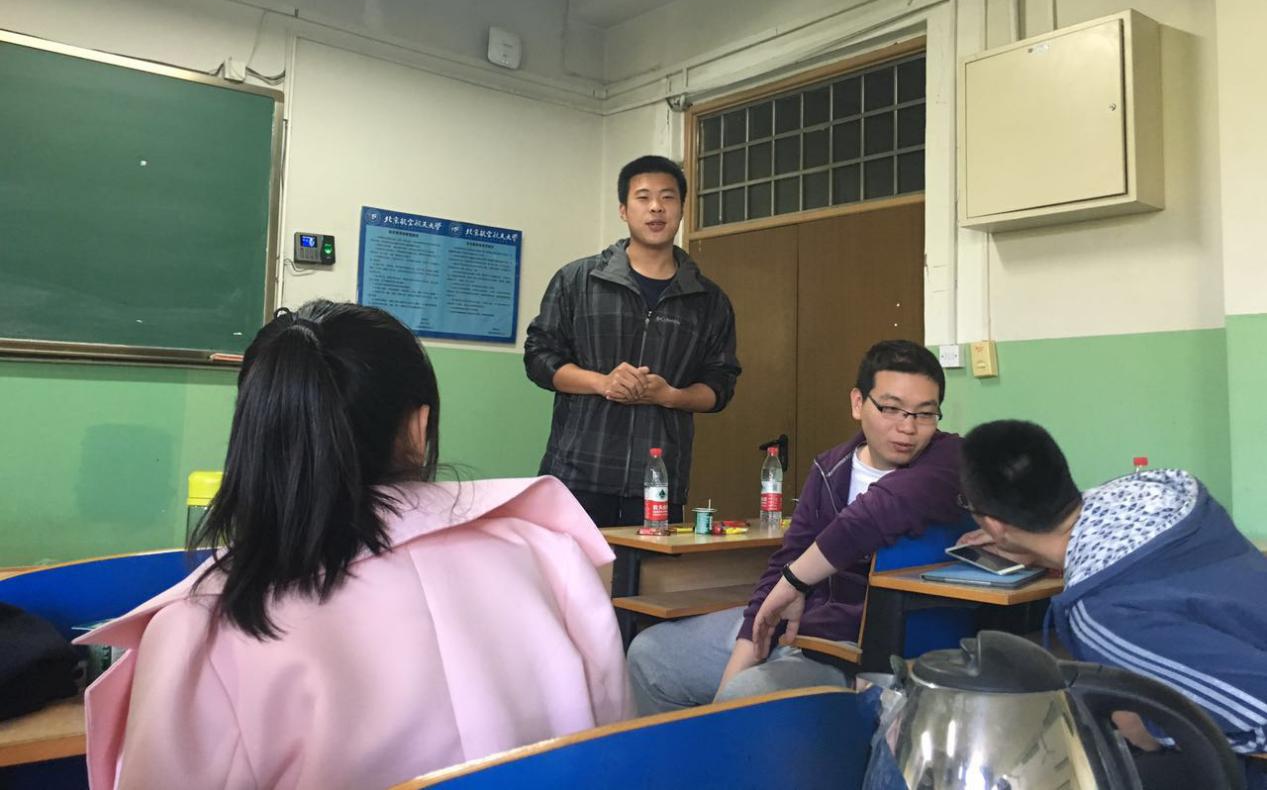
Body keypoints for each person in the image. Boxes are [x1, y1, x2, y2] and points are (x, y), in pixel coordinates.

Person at [77, 302, 629, 790]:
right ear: (418, 429)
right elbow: (617, 752)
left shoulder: (207, 630)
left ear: (258, 431)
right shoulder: (550, 555)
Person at [627, 340, 963, 714]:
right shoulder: (830, 467)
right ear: (858, 403)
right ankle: (694, 750)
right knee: (651, 655)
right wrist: (748, 648)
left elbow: (868, 518)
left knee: (748, 694)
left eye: (924, 414)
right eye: (891, 409)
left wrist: (794, 583)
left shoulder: (948, 460)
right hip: (798, 627)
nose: (907, 427)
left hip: (854, 650)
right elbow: (784, 563)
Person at [957, 419, 1267, 789]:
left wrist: (1152, 727)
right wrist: (1043, 553)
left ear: (993, 525)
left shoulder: (1104, 613)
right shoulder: (1164, 494)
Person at [523, 154, 740, 527]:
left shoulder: (708, 300)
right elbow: (539, 358)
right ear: (623, 210)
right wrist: (601, 382)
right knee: (571, 567)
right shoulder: (578, 280)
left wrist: (670, 395)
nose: (656, 207)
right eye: (643, 197)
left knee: (649, 568)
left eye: (668, 197)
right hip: (577, 473)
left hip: (658, 481)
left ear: (682, 209)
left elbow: (721, 384)